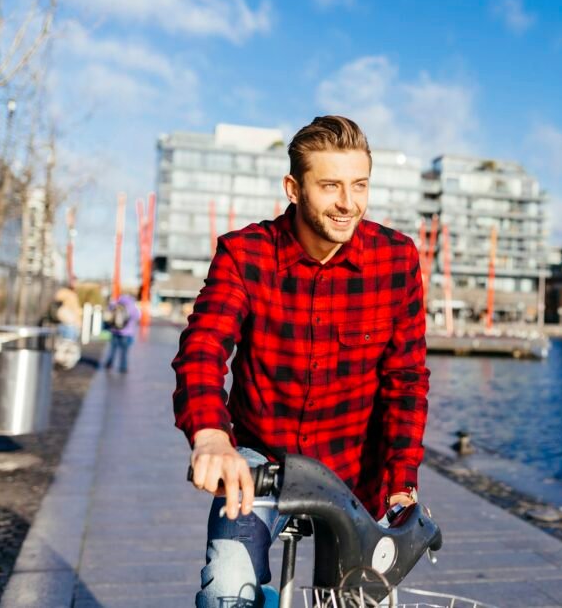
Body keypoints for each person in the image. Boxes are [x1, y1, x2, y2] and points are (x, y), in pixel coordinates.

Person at [171, 115, 429, 608]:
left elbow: (407, 381)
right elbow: (203, 348)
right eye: (330, 185)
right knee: (227, 591)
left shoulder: (396, 259)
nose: (347, 203)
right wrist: (210, 437)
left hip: (357, 473)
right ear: (293, 187)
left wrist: (402, 482)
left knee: (357, 601)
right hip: (260, 460)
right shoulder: (244, 254)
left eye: (359, 185)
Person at [104, 293, 140, 372]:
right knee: (124, 352)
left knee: (112, 350)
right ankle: (123, 367)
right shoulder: (132, 305)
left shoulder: (117, 303)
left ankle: (109, 364)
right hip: (127, 333)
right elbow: (137, 316)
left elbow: (109, 312)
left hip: (115, 331)